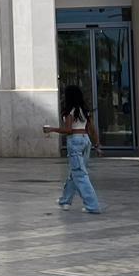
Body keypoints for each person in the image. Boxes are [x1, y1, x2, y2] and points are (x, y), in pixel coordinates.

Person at [44, 85, 102, 214]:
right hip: (86, 140)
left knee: (80, 174)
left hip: (75, 141)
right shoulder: (84, 111)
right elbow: (92, 129)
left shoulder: (70, 111)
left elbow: (68, 130)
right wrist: (97, 145)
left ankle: (92, 205)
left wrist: (52, 129)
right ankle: (65, 200)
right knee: (75, 173)